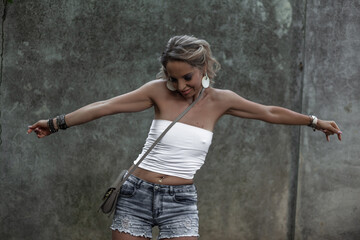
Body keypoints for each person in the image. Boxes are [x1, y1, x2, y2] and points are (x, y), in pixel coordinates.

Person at [28, 35, 342, 240]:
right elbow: (105, 107)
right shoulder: (157, 92)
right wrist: (56, 123)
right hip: (135, 193)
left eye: (187, 77)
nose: (180, 86)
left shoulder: (222, 100)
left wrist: (314, 122)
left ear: (203, 67)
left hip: (179, 200)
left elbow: (270, 112)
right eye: (172, 78)